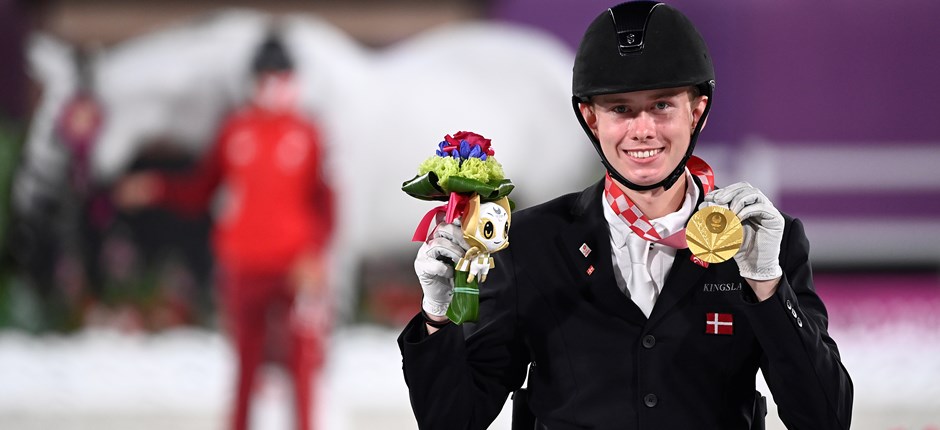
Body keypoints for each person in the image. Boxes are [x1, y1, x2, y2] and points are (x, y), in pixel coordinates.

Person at [398, 2, 853, 429]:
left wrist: (767, 284)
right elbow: (452, 419)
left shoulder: (764, 243)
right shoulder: (531, 243)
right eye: (620, 109)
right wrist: (439, 317)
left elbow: (825, 419)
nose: (642, 130)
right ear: (590, 119)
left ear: (697, 112)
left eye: (661, 105)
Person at [114, 32, 334, 430]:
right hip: (244, 264)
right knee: (246, 366)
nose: (272, 85)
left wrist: (314, 254)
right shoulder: (236, 131)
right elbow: (201, 190)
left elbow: (327, 204)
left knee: (300, 365)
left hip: (292, 267)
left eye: (279, 76)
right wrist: (156, 187)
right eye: (265, 76)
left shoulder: (307, 133)